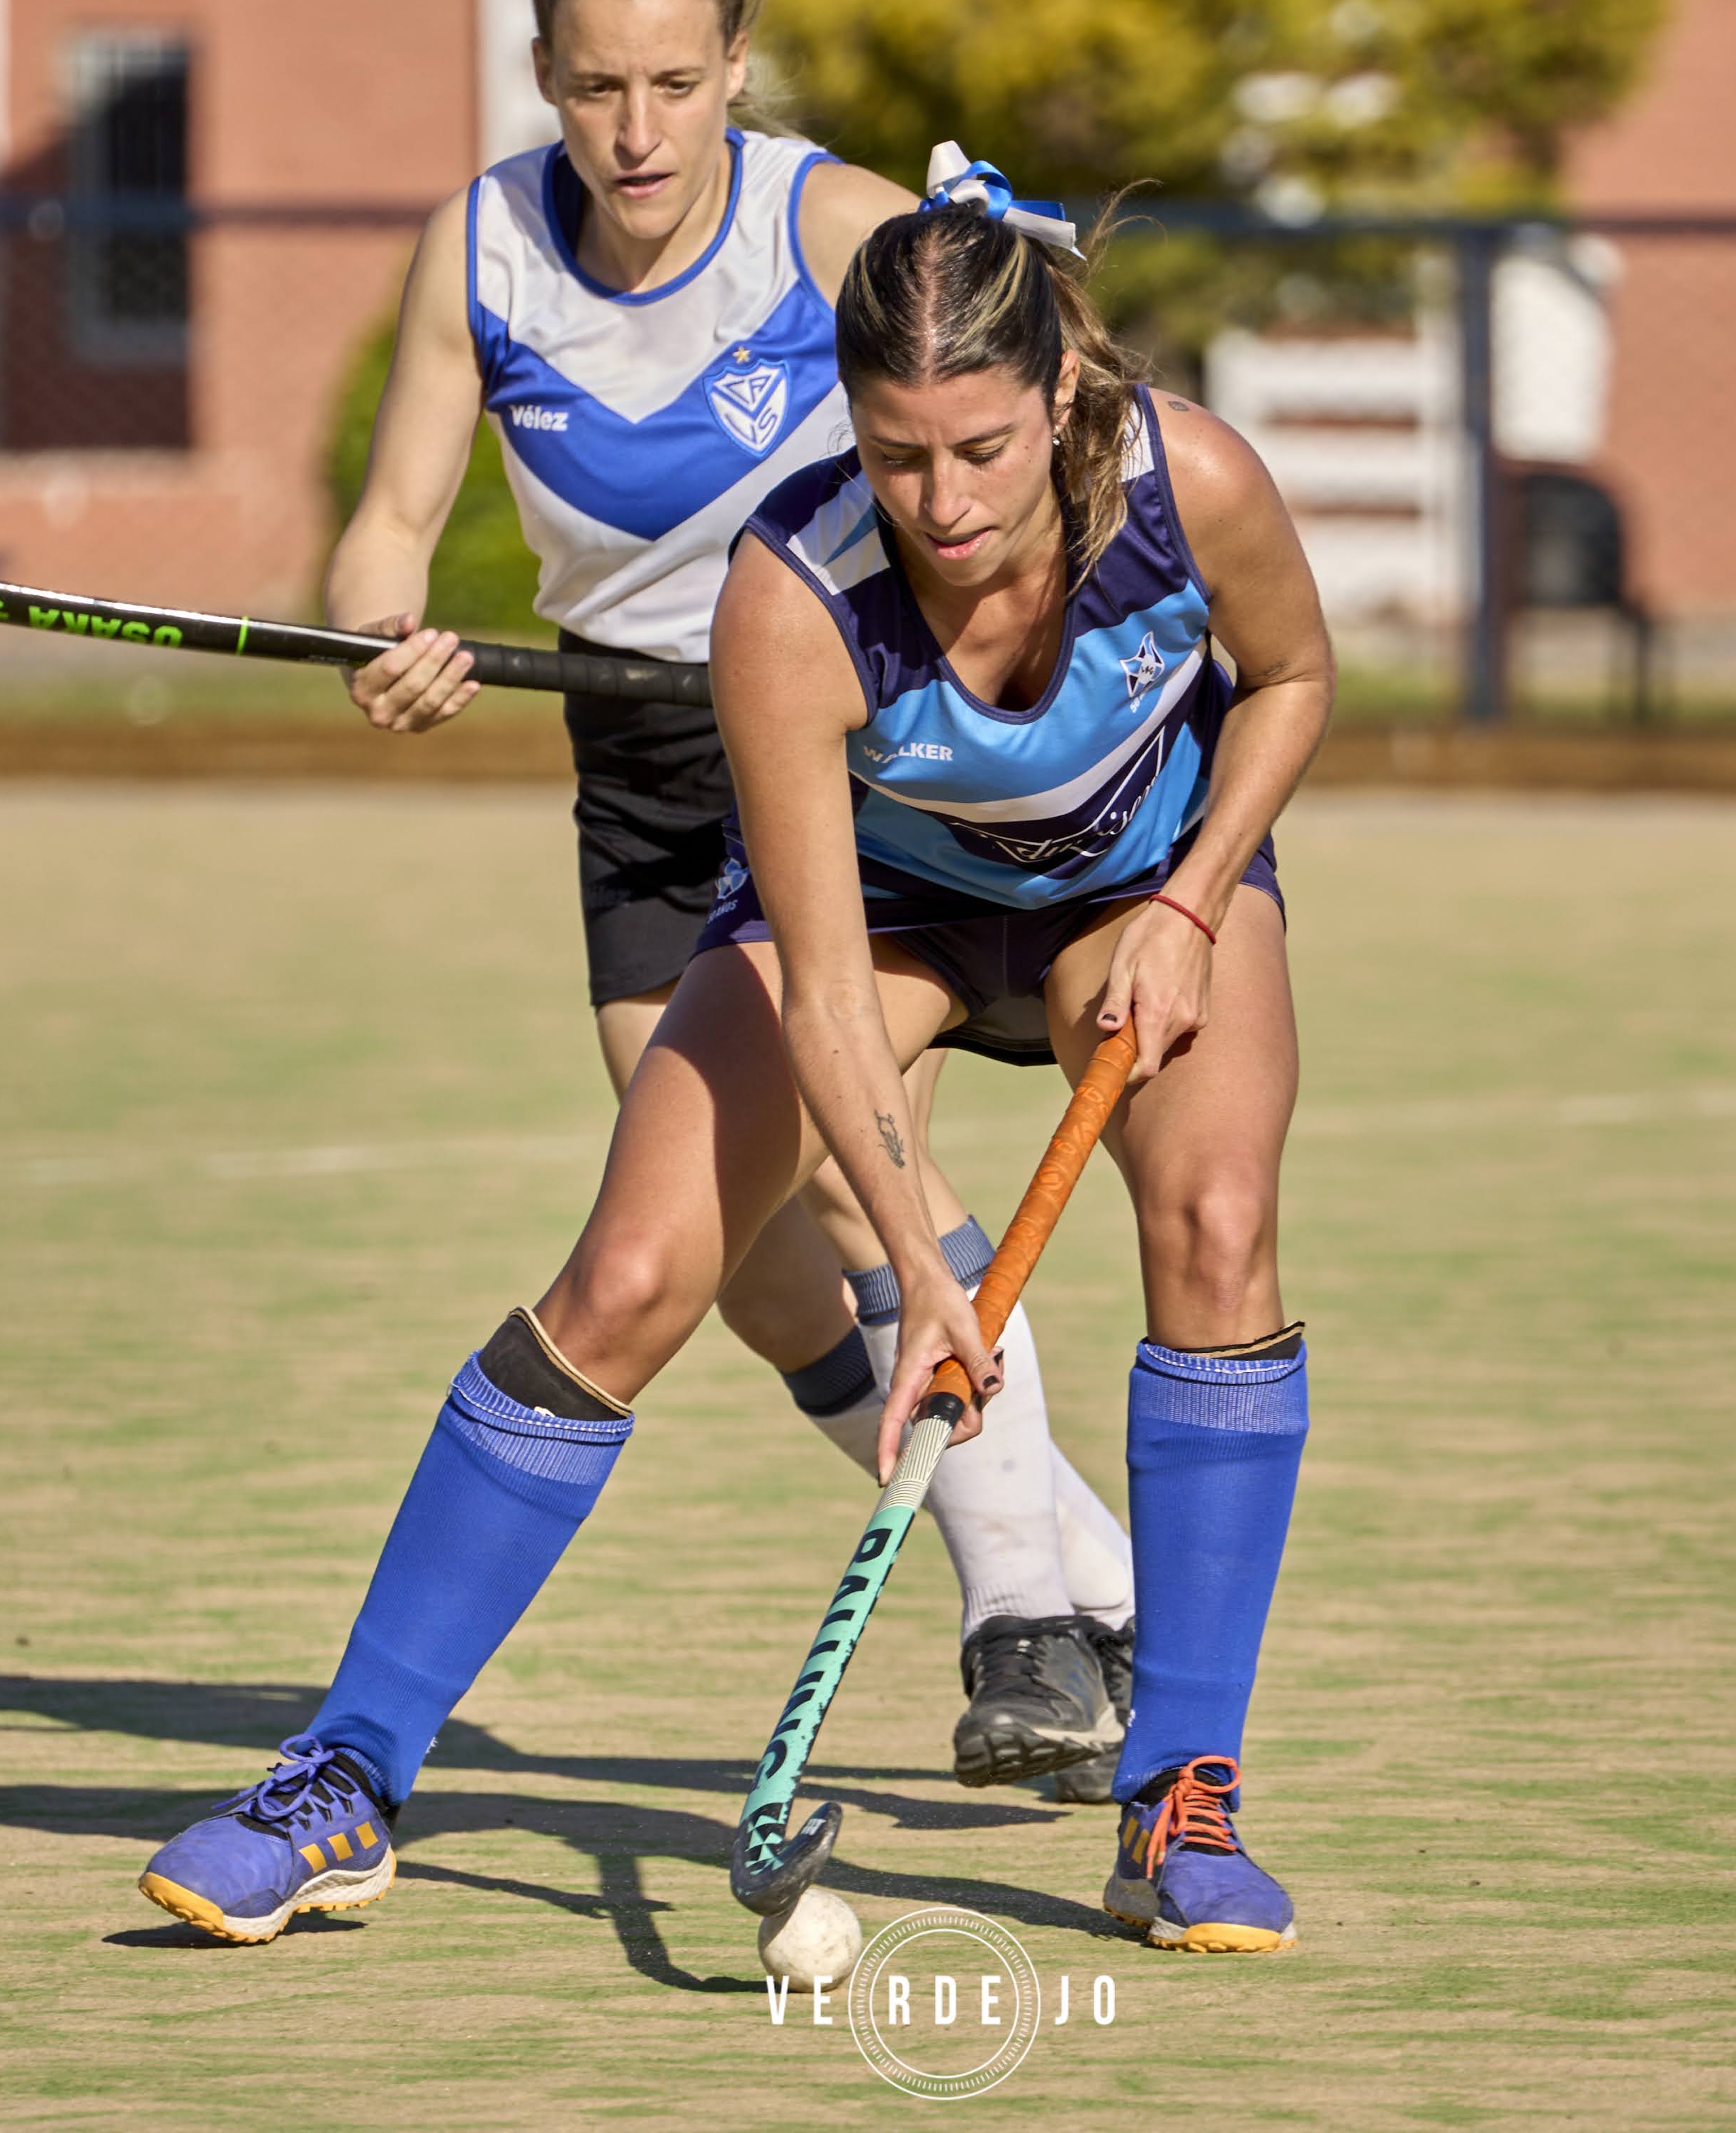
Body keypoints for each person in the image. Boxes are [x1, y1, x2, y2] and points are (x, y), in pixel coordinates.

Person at [140, 162, 1334, 1956]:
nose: (941, 499)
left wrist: (1192, 899)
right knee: (626, 1276)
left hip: (1142, 880)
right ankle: (347, 1773)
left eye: (985, 450)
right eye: (900, 450)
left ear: (1062, 397)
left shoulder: (1192, 479)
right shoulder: (791, 590)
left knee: (1222, 1223)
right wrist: (928, 1278)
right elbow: (832, 989)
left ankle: (1179, 1794)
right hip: (894, 912)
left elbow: (1295, 674)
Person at [324, 0, 1130, 1794]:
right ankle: (1082, 1557)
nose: (637, 133)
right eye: (597, 88)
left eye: (678, 84)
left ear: (735, 70)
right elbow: (384, 526)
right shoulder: (482, 248)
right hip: (632, 758)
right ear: (544, 75)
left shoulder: (824, 216)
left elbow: (1023, 369)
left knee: (872, 1191)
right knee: (757, 1262)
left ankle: (1023, 1617)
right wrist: (380, 633)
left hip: (832, 760)